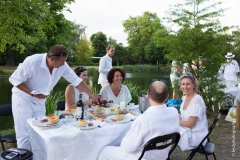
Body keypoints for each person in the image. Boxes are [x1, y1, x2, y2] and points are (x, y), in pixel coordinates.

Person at [9, 45, 100, 150]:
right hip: (23, 99)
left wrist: (93, 95)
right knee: (24, 134)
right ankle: (23, 156)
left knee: (40, 133)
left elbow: (77, 81)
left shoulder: (62, 65)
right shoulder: (33, 62)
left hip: (40, 101)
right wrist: (32, 93)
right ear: (52, 59)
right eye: (62, 61)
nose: (64, 64)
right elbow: (14, 80)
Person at [98, 81, 180, 160]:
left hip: (142, 158)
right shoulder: (174, 112)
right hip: (162, 156)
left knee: (104, 151)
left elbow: (127, 148)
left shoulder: (143, 119)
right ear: (167, 96)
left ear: (148, 95)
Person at [179, 72, 208, 150]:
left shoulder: (196, 100)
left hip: (197, 136)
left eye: (188, 84)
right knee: (167, 131)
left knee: (169, 134)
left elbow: (189, 124)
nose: (185, 87)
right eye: (183, 84)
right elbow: (182, 117)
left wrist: (174, 121)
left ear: (194, 85)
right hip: (189, 131)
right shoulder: (185, 97)